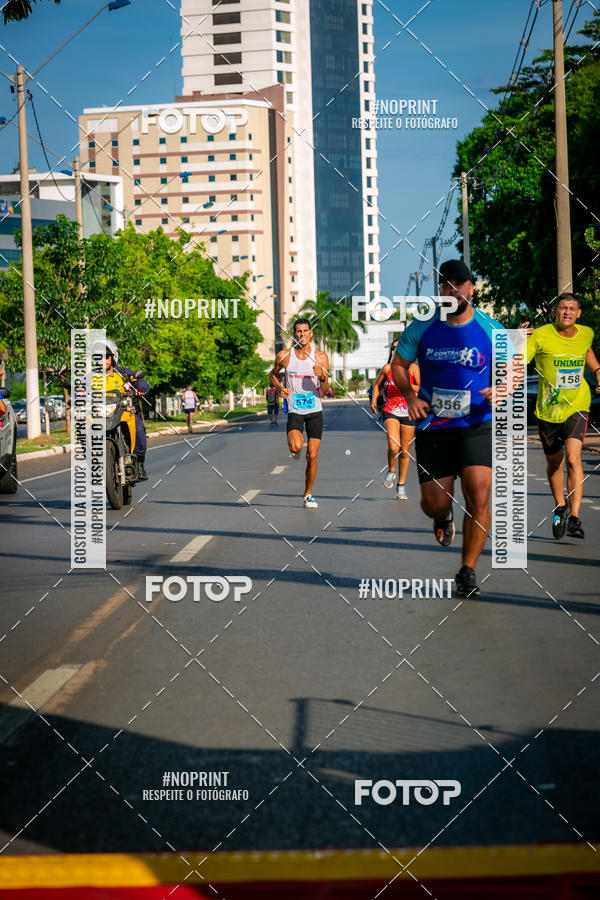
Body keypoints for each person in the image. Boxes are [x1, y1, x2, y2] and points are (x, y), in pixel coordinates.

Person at [391, 259, 513, 598]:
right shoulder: (422, 327)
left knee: (479, 493)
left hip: (477, 423)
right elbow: (398, 365)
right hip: (433, 426)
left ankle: (468, 570)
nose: (453, 289)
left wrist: (502, 388)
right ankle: (442, 519)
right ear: (440, 290)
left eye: (459, 283)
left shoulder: (491, 328)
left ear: (471, 288)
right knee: (434, 503)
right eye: (446, 284)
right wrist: (409, 395)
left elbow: (513, 368)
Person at [523, 294, 600, 540]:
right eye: (563, 308)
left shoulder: (586, 332)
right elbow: (517, 360)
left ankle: (575, 516)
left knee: (574, 459)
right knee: (554, 462)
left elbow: (585, 349)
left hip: (577, 405)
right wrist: (516, 339)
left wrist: (597, 369)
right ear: (555, 311)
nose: (567, 312)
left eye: (572, 309)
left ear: (578, 314)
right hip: (548, 410)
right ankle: (561, 505)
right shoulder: (541, 335)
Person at [269, 318, 329, 508]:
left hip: (315, 410)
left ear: (311, 333)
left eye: (305, 331)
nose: (302, 334)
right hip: (295, 409)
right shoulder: (285, 356)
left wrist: (323, 377)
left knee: (312, 456)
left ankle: (308, 493)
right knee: (296, 448)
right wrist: (279, 388)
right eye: (298, 331)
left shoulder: (320, 357)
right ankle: (296, 447)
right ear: (294, 335)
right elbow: (272, 375)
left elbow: (326, 391)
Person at [91, 339, 150, 481]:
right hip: (99, 413)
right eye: (98, 357)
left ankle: (140, 465)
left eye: (105, 356)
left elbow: (140, 381)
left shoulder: (123, 373)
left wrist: (141, 388)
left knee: (139, 428)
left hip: (122, 410)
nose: (102, 360)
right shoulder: (90, 376)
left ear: (112, 357)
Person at [371, 344, 420, 500]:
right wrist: (373, 399)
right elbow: (377, 385)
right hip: (391, 410)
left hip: (409, 412)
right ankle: (391, 470)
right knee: (394, 447)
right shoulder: (387, 369)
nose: (396, 351)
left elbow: (421, 386)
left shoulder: (413, 368)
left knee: (405, 451)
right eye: (393, 348)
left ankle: (401, 486)